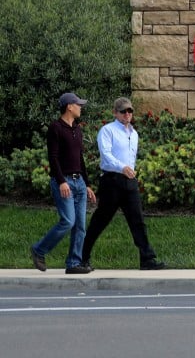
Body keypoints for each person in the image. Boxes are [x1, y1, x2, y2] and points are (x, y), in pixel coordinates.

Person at [81, 97, 167, 271]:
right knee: (100, 220)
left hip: (129, 181)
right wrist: (122, 168)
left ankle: (147, 259)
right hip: (112, 180)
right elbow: (106, 155)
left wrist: (130, 172)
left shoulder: (134, 133)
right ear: (115, 113)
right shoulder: (107, 130)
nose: (127, 114)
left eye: (130, 111)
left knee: (138, 220)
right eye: (123, 111)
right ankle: (82, 257)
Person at [30, 92, 97, 274]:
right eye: (78, 104)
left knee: (80, 226)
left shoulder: (77, 129)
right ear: (69, 106)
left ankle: (73, 263)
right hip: (64, 182)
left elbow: (80, 159)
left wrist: (87, 184)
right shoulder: (56, 128)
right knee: (68, 221)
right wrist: (61, 181)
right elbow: (53, 157)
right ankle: (38, 250)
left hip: (79, 183)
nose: (80, 107)